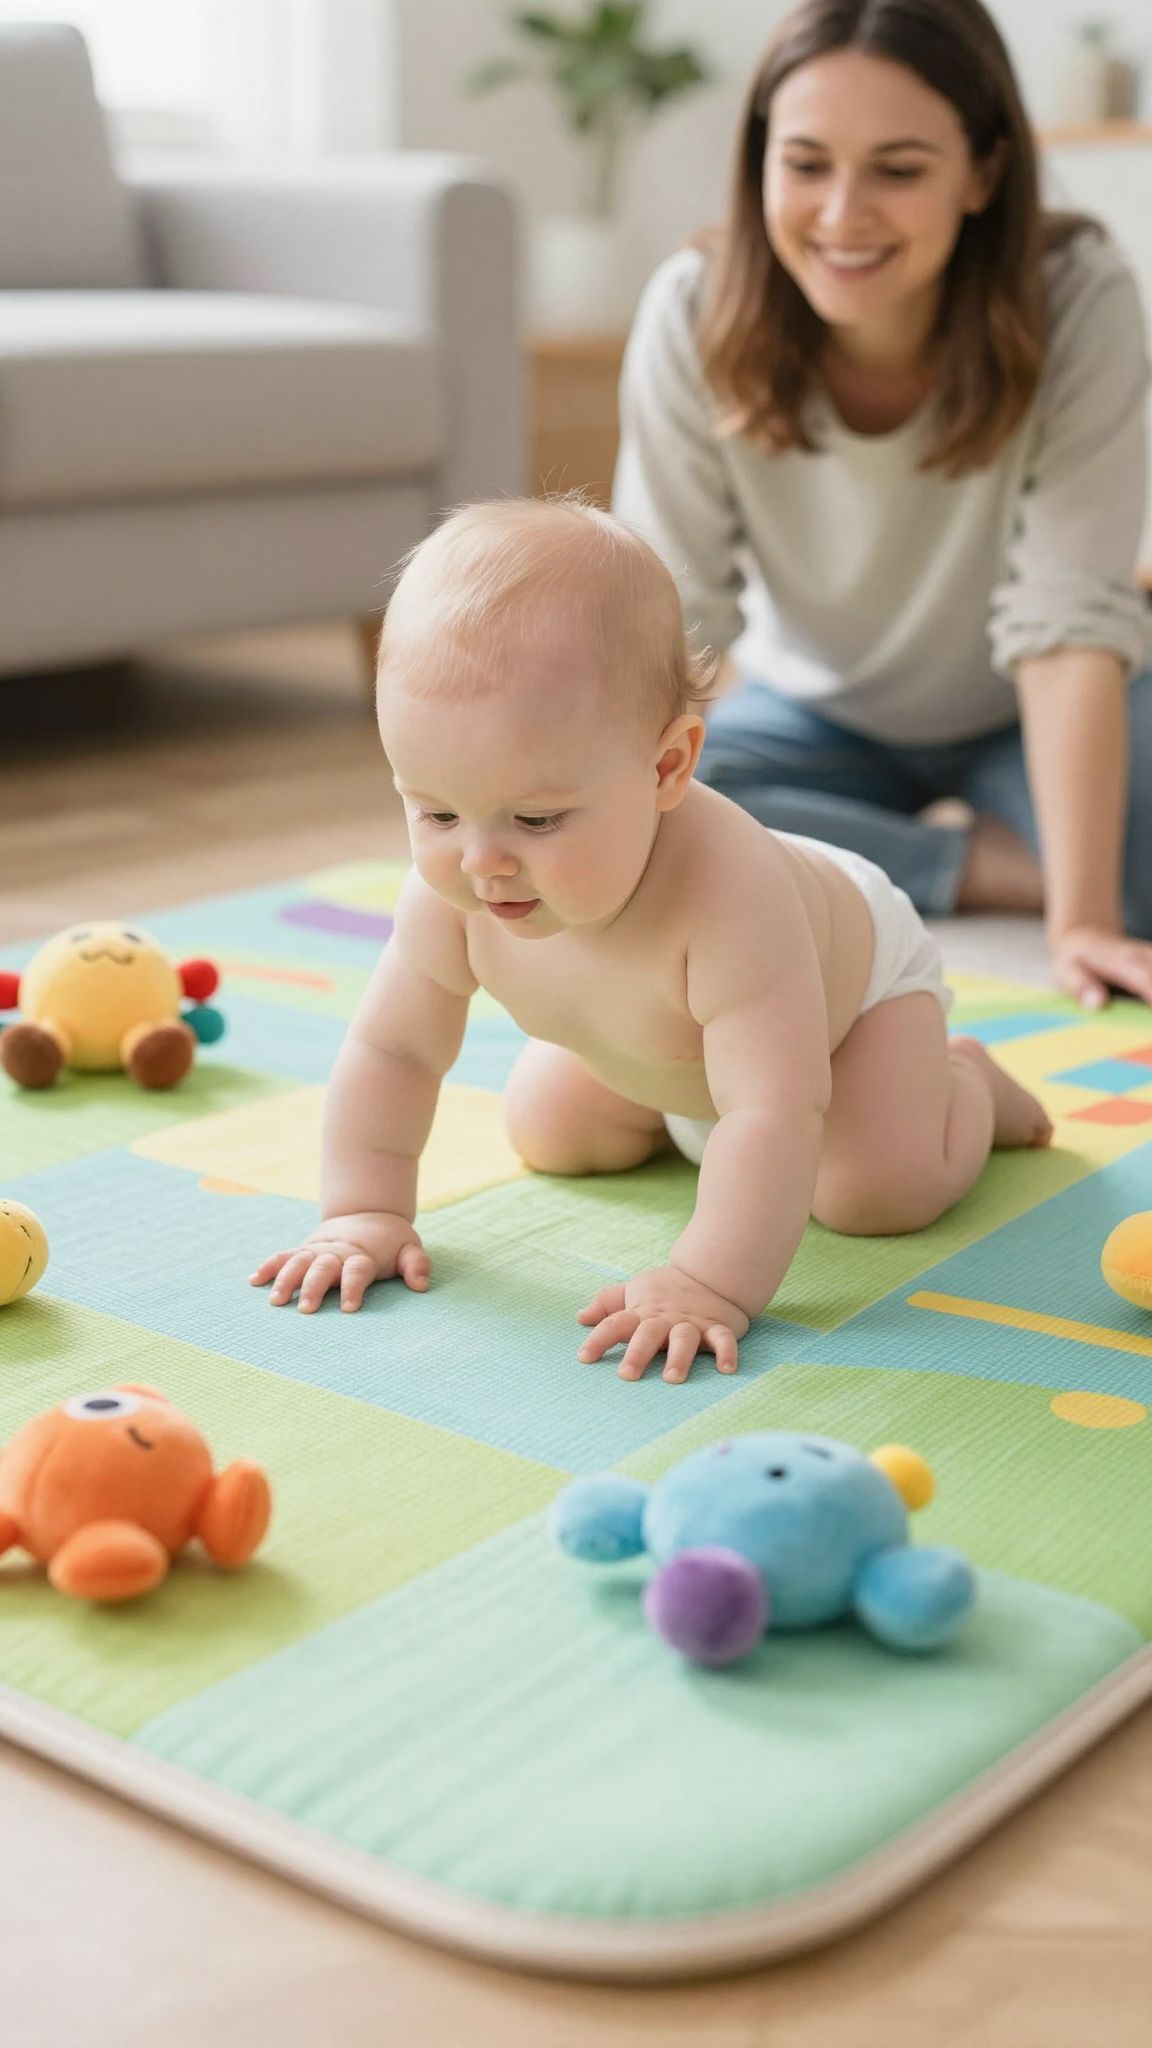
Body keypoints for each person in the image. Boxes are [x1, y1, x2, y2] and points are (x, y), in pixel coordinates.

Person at [251, 499, 1050, 1381]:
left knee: (872, 1190)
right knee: (553, 1133)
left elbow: (772, 1108)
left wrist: (708, 1281)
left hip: (849, 1004)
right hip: (672, 1042)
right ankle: (683, 1113)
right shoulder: (454, 896)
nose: (482, 863)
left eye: (536, 818)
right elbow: (393, 1051)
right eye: (435, 813)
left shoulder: (734, 900)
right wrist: (363, 1211)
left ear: (667, 767)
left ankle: (963, 1082)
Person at [612, 0, 1152, 1011]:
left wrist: (1082, 922)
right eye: (806, 164)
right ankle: (987, 865)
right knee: (650, 811)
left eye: (898, 170)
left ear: (983, 173)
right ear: (761, 160)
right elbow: (667, 624)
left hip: (1027, 705)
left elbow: (1070, 622)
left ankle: (1021, 858)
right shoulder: (691, 309)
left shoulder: (1081, 298)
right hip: (814, 712)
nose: (842, 215)